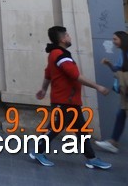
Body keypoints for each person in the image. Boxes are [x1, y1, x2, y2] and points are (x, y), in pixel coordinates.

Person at [29, 25, 111, 170]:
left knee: (81, 131)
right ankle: (37, 151)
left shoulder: (55, 54)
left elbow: (48, 73)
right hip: (64, 101)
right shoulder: (61, 55)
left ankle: (91, 158)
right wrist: (98, 87)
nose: (69, 37)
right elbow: (75, 75)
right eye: (67, 35)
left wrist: (43, 89)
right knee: (54, 128)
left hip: (70, 101)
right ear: (62, 39)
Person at [95, 30, 128, 154]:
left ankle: (113, 142)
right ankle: (113, 142)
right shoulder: (123, 53)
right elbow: (117, 68)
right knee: (121, 114)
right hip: (126, 91)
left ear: (122, 39)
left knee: (121, 114)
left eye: (115, 39)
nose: (113, 42)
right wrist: (109, 64)